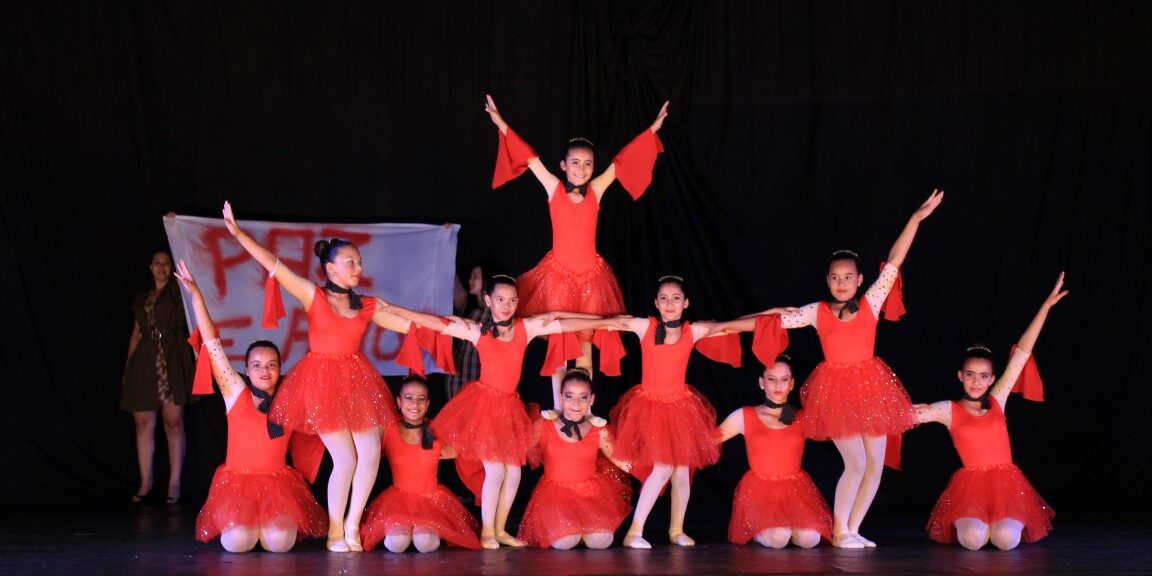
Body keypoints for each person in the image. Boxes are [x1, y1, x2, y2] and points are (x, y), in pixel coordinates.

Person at [381, 274, 627, 549]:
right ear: (488, 300)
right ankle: (487, 531)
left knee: (515, 473)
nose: (506, 305)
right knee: (495, 471)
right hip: (485, 406)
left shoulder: (525, 328)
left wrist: (605, 322)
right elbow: (438, 323)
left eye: (511, 300)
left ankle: (500, 530)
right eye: (500, 300)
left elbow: (564, 323)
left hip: (510, 407)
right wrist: (394, 309)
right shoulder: (479, 331)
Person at [222, 201, 413, 552]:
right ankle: (336, 531)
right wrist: (237, 233)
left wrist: (456, 329)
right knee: (346, 459)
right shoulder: (315, 296)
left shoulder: (366, 305)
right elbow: (274, 265)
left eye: (360, 262)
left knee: (370, 454)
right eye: (351, 262)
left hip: (358, 382)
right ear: (331, 268)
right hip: (321, 383)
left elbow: (409, 324)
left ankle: (353, 525)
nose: (358, 267)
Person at [759, 189, 944, 548]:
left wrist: (915, 219)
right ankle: (840, 529)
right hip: (836, 392)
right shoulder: (817, 311)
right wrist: (723, 327)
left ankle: (853, 529)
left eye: (848, 277)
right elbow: (773, 321)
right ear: (827, 280)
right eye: (834, 277)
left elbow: (894, 261)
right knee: (855, 463)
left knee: (875, 465)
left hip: (872, 388)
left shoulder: (872, 302)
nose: (841, 283)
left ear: (860, 280)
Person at [484, 94, 668, 409]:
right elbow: (528, 158)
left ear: (592, 167)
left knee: (584, 347)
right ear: (563, 165)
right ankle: (559, 409)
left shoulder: (596, 190)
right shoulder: (554, 189)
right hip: (557, 278)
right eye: (575, 163)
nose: (581, 169)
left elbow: (622, 161)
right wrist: (501, 123)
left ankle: (583, 411)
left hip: (591, 281)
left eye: (587, 164)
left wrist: (653, 129)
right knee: (559, 344)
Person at [609, 275, 794, 549]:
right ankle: (634, 532)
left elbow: (731, 327)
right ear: (656, 303)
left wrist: (768, 314)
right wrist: (561, 322)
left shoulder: (691, 331)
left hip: (680, 407)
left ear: (686, 303)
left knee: (682, 471)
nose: (669, 303)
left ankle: (676, 530)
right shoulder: (644, 326)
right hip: (649, 407)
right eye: (664, 298)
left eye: (675, 298)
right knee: (662, 469)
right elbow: (609, 322)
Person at [174, 261, 327, 552]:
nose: (264, 371)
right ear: (245, 369)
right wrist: (195, 294)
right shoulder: (235, 392)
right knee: (237, 544)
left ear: (280, 369)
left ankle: (266, 529)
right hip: (238, 486)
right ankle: (249, 528)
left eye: (271, 365)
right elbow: (211, 343)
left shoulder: (291, 399)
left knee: (281, 544)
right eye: (256, 365)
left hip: (278, 487)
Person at [914, 273, 1067, 550]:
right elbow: (907, 417)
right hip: (970, 490)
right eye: (970, 375)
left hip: (1006, 488)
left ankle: (998, 528)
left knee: (1006, 540)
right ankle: (979, 527)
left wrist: (1045, 307)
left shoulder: (998, 399)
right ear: (960, 376)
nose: (976, 382)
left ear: (992, 378)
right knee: (973, 540)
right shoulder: (948, 409)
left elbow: (1022, 352)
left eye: (983, 376)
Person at [715, 356, 832, 548]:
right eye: (772, 379)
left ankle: (787, 527)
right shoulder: (745, 415)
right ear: (762, 383)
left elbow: (834, 429)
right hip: (760, 491)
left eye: (784, 379)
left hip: (795, 490)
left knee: (810, 540)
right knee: (778, 539)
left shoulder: (802, 417)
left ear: (792, 383)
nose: (778, 385)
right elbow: (712, 439)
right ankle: (760, 529)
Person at [360, 375, 481, 553]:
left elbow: (471, 450)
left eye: (421, 399)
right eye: (408, 398)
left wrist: (457, 451)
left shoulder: (437, 429)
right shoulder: (387, 430)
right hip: (396, 503)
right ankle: (407, 534)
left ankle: (422, 533)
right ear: (399, 402)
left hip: (432, 503)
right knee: (396, 544)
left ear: (428, 404)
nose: (414, 405)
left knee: (425, 544)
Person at [518, 368, 632, 549]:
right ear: (561, 398)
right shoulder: (544, 425)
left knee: (602, 542)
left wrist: (654, 468)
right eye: (570, 396)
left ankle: (581, 530)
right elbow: (519, 449)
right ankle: (573, 531)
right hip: (555, 495)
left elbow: (624, 461)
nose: (576, 403)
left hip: (590, 493)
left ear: (592, 399)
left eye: (583, 397)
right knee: (565, 543)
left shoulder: (599, 431)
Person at [121, 248, 195, 505]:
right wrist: (128, 369)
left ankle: (174, 482)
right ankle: (146, 480)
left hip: (172, 357)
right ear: (150, 267)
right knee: (143, 423)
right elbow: (136, 333)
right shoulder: (142, 297)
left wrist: (176, 227)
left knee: (173, 422)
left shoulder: (177, 290)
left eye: (166, 263)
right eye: (157, 263)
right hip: (145, 360)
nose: (162, 267)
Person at [444, 263, 491, 399]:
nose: (470, 281)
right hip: (459, 375)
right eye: (470, 277)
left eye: (476, 277)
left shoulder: (500, 310)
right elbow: (450, 276)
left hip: (483, 378)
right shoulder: (466, 303)